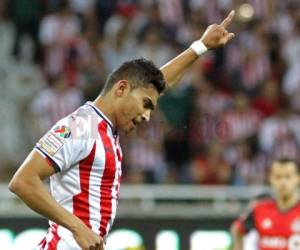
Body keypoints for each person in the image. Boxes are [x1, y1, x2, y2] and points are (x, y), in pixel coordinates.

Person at [8, 11, 235, 250]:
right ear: (121, 89)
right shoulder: (81, 126)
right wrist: (77, 228)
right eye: (145, 105)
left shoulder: (105, 128)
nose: (147, 116)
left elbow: (156, 85)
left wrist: (200, 47)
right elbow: (23, 181)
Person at [231, 158, 300, 250]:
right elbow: (237, 229)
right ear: (271, 179)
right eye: (278, 177)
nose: (283, 182)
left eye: (288, 177)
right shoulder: (259, 209)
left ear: (297, 178)